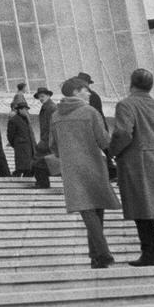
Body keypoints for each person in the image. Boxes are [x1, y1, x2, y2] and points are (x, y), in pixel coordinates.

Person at [50, 75, 119, 268]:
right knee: (97, 207)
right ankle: (104, 254)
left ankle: (96, 256)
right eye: (85, 89)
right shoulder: (90, 112)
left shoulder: (55, 115)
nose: (88, 92)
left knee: (87, 209)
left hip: (71, 168)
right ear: (75, 92)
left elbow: (53, 146)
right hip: (93, 163)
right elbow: (104, 141)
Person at [108, 68, 154, 267]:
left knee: (142, 211)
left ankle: (150, 255)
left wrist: (112, 151)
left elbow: (123, 132)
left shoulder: (126, 104)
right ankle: (150, 256)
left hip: (137, 163)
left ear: (131, 83)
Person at [31, 86, 57, 188]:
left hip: (48, 140)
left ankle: (42, 183)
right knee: (41, 161)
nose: (41, 98)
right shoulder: (47, 107)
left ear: (48, 95)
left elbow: (52, 126)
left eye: (42, 96)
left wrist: (46, 140)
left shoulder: (51, 108)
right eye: (39, 97)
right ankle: (42, 182)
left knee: (38, 161)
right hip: (46, 139)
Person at [7, 101, 35, 177]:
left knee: (28, 168)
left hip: (29, 147)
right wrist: (16, 143)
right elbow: (10, 135)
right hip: (21, 147)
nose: (26, 111)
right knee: (22, 167)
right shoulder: (14, 120)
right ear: (20, 110)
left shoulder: (26, 119)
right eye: (25, 109)